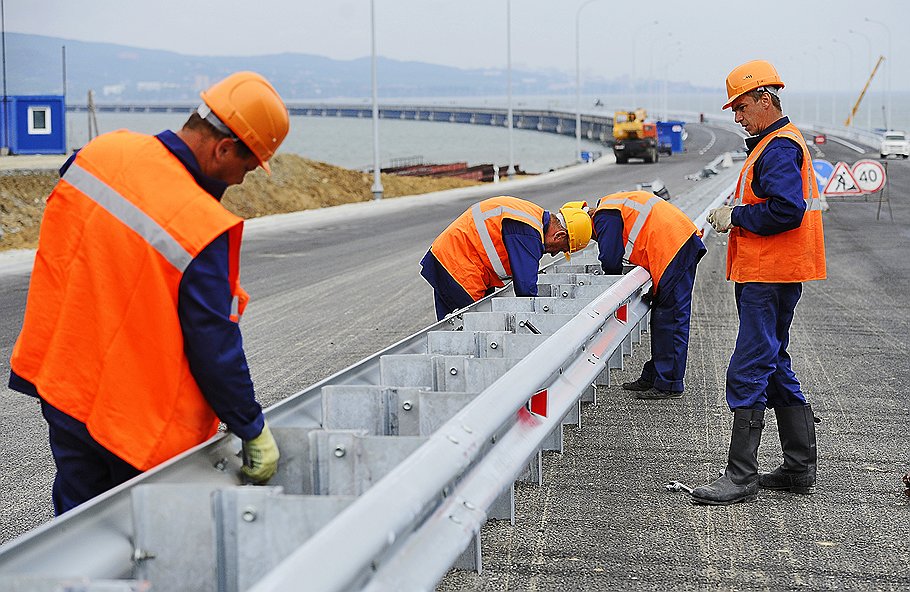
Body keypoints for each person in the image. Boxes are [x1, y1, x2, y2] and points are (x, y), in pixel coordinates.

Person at [8, 71, 290, 514]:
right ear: (223, 148)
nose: (239, 181)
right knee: (144, 548)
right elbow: (214, 345)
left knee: (77, 535)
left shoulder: (101, 153)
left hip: (63, 384)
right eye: (247, 168)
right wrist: (251, 427)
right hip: (131, 423)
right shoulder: (201, 224)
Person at [691, 60, 826, 505]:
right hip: (773, 272)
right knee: (774, 362)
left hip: (769, 274)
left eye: (742, 106)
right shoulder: (773, 143)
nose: (737, 116)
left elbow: (785, 209)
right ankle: (798, 468)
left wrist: (736, 216)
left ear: (766, 99)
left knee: (748, 367)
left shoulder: (778, 147)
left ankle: (740, 476)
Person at [587, 190, 706, 399]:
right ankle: (655, 375)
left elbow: (610, 258)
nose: (596, 238)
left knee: (671, 319)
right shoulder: (614, 205)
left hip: (674, 248)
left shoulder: (605, 214)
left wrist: (610, 290)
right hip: (675, 245)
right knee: (662, 318)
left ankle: (669, 384)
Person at [420, 197, 592, 320]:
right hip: (459, 269)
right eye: (562, 249)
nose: (554, 254)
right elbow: (526, 289)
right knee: (470, 329)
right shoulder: (529, 232)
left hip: (450, 261)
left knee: (452, 330)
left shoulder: (532, 218)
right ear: (559, 235)